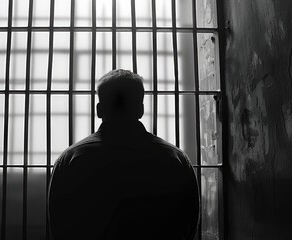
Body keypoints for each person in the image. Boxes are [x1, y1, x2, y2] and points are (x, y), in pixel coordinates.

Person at [48, 69, 199, 240]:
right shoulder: (175, 159)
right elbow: (189, 221)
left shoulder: (71, 159)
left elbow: (59, 224)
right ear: (140, 109)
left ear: (99, 110)